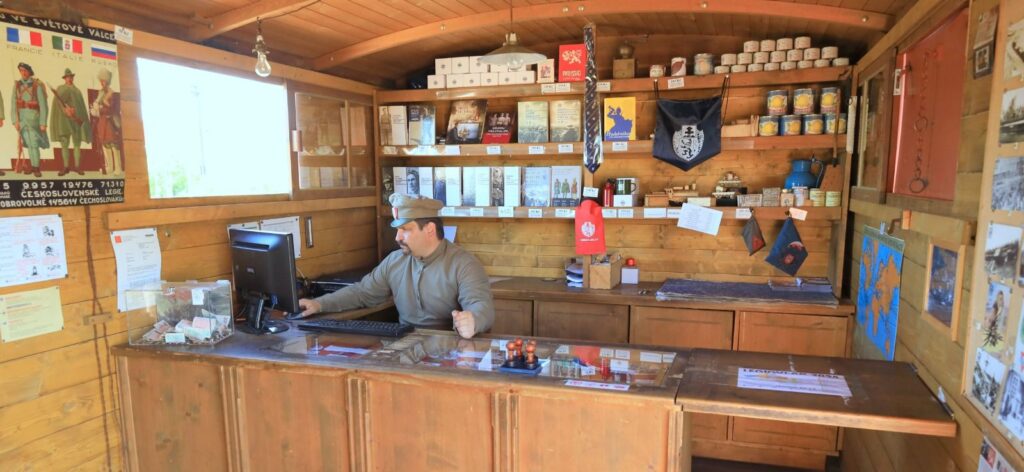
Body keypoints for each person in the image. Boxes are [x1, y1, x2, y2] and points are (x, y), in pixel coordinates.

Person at [297, 194, 495, 338]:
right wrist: (320, 304)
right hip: (404, 346)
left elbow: (481, 306)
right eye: (397, 229)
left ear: (429, 229)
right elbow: (362, 293)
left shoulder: (464, 264)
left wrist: (473, 320)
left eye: (405, 229)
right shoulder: (395, 261)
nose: (397, 237)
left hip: (448, 347)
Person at [49, 69, 92, 176]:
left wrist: (74, 111)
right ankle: (66, 167)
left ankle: (77, 167)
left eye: (71, 76)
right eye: (68, 77)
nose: (70, 78)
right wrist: (65, 110)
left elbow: (81, 107)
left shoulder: (77, 91)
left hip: (75, 120)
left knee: (77, 144)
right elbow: (58, 103)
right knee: (65, 144)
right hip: (64, 120)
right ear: (65, 78)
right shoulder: (60, 89)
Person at [11, 63, 49, 177]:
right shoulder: (17, 85)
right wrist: (15, 121)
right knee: (28, 144)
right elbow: (13, 104)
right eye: (21, 70)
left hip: (34, 120)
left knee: (34, 144)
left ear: (29, 71)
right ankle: (33, 166)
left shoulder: (36, 85)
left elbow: (43, 105)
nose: (23, 73)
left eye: (25, 70)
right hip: (22, 120)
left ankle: (36, 167)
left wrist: (43, 122)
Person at [90, 68, 121, 176]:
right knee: (105, 144)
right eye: (101, 80)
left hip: (110, 121)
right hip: (102, 122)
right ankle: (110, 167)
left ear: (107, 81)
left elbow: (111, 108)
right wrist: (95, 110)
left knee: (113, 144)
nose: (102, 82)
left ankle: (118, 168)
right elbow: (98, 105)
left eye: (103, 80)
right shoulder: (101, 93)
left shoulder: (111, 93)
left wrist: (100, 108)